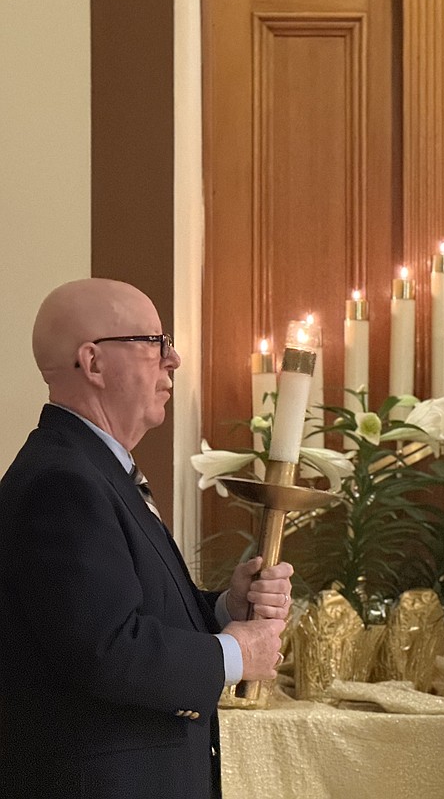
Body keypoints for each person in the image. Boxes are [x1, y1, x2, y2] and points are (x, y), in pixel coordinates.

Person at [0, 278, 292, 799]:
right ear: (93, 363)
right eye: (155, 342)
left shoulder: (94, 468)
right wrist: (233, 654)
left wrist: (226, 607)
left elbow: (125, 617)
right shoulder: (62, 481)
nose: (173, 359)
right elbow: (103, 651)